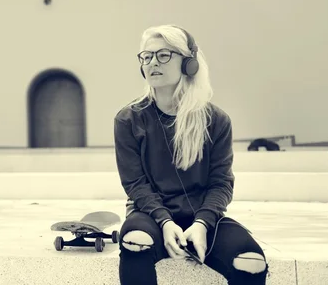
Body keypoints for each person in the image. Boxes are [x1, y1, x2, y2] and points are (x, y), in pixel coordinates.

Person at [114, 24, 269, 285]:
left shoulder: (216, 120)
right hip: (150, 216)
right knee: (135, 242)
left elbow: (221, 183)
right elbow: (135, 184)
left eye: (164, 55)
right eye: (147, 56)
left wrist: (203, 224)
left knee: (251, 262)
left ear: (189, 64)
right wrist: (164, 222)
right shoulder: (128, 119)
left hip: (203, 217)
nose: (153, 62)